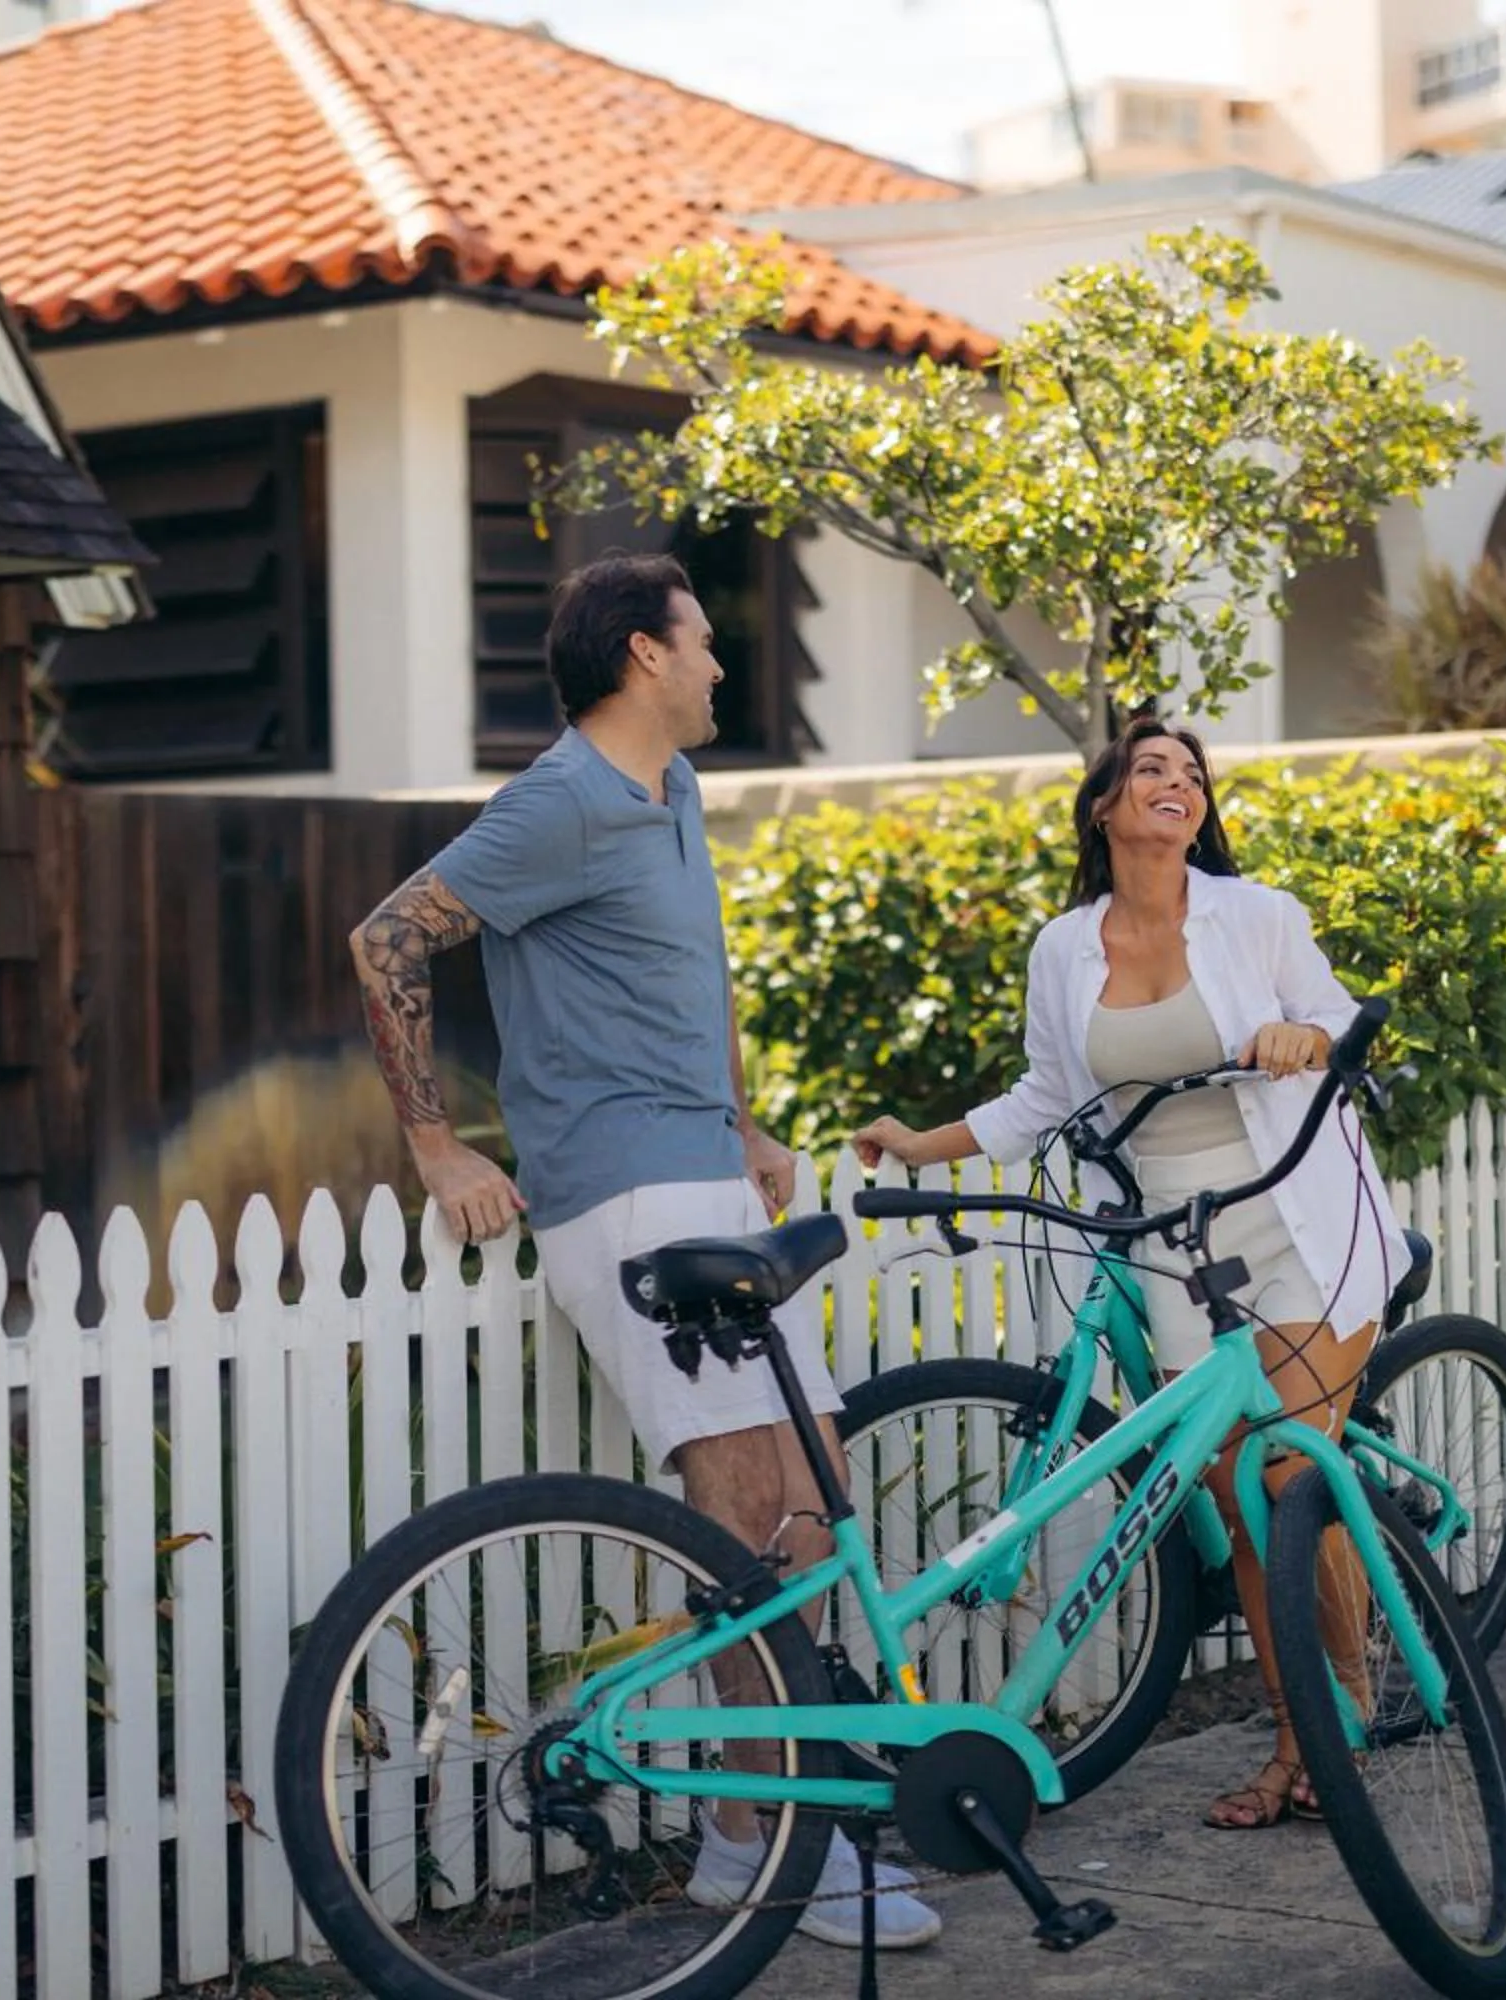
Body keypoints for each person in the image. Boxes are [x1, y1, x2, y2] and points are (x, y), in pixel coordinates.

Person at [350, 551, 942, 1949]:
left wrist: (741, 1122)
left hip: (702, 1177)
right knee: (745, 1510)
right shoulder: (557, 802)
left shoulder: (667, 792)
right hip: (622, 1198)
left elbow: (694, 973)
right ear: (640, 656)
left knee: (813, 1498)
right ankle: (780, 1848)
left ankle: (754, 1834)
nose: (724, 665)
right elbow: (386, 941)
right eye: (703, 642)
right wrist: (439, 1144)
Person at [853, 713, 1409, 1833]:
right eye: (1151, 767)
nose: (1178, 782)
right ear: (1103, 805)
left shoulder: (1256, 915)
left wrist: (1312, 1039)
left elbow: (1345, 1017)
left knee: (1291, 1479)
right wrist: (922, 1142)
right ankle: (1317, 1713)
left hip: (1297, 1211)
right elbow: (1043, 1096)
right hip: (1173, 1239)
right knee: (1243, 1507)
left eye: (1193, 773)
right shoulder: (1064, 948)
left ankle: (1321, 1730)